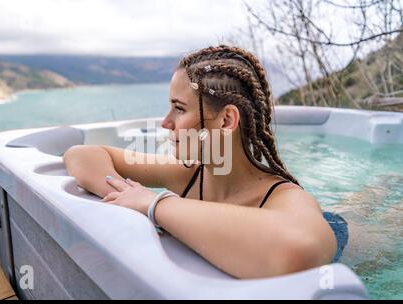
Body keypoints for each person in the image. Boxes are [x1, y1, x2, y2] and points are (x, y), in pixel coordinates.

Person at [63, 44, 339, 279]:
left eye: (179, 109)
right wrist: (127, 198)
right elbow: (81, 155)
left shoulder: (284, 197)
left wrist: (154, 205)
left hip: (342, 235)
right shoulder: (188, 174)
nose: (165, 122)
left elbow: (301, 250)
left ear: (226, 120)